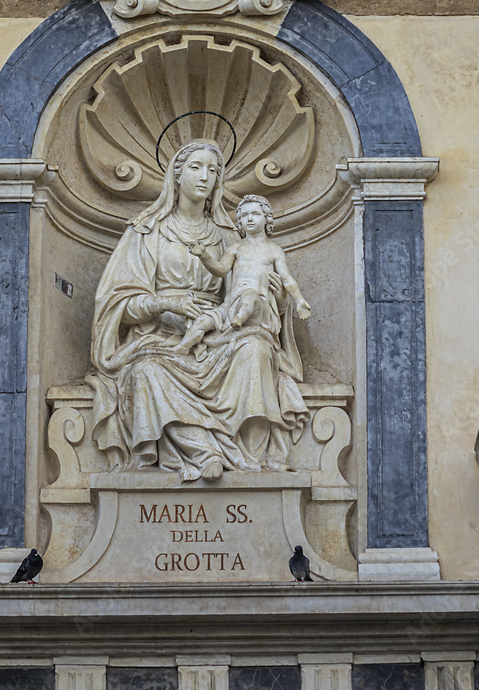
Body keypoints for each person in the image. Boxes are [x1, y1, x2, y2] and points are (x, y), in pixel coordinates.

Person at [86, 140, 309, 482]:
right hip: (161, 338)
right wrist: (163, 302)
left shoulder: (229, 236)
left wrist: (277, 299)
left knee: (256, 351)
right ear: (176, 176)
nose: (205, 176)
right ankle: (206, 454)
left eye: (212, 170)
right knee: (146, 372)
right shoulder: (146, 233)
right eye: (196, 167)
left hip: (221, 333)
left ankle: (250, 461)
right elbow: (116, 304)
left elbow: (245, 291)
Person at [176, 195, 311, 354]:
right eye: (244, 215)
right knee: (203, 321)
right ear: (239, 221)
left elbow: (287, 279)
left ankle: (239, 320)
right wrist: (204, 255)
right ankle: (182, 347)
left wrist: (300, 300)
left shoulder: (274, 250)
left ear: (266, 218)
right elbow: (221, 270)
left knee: (249, 295)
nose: (249, 219)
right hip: (231, 304)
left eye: (255, 214)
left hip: (258, 304)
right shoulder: (236, 247)